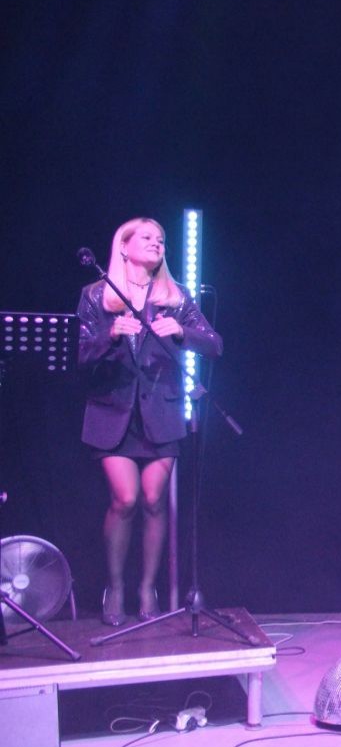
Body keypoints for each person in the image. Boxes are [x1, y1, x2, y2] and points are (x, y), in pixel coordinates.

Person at [77, 217, 223, 625]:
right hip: (113, 412)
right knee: (125, 499)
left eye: (160, 239)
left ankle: (147, 588)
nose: (157, 243)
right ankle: (115, 587)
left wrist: (182, 332)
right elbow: (80, 354)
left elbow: (214, 344)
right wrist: (109, 336)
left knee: (155, 500)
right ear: (123, 247)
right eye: (146, 237)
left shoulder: (176, 298)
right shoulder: (96, 295)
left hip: (160, 412)